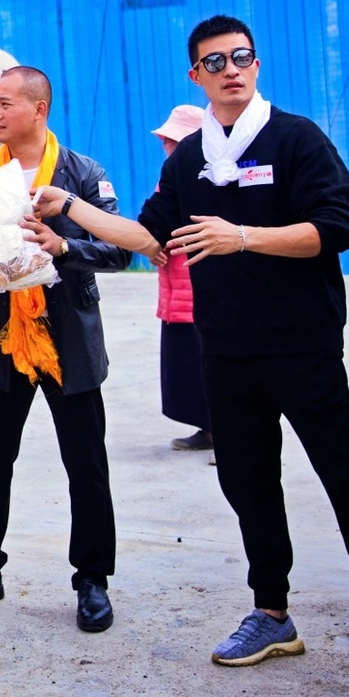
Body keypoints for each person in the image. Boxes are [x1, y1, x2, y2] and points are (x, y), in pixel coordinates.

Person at [35, 15, 349, 697]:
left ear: (256, 64)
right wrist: (70, 208)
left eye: (241, 57)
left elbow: (337, 228)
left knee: (347, 486)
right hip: (224, 350)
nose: (231, 69)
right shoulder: (190, 159)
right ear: (196, 75)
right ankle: (272, 614)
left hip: (302, 346)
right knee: (249, 485)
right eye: (215, 61)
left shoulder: (295, 139)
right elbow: (148, 236)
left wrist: (244, 237)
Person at [0, 67, 128, 635]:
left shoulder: (83, 174)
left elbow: (119, 250)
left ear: (39, 109)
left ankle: (92, 579)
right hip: (0, 338)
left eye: (6, 103)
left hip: (68, 339)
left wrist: (63, 246)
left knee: (86, 466)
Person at [151, 104, 213, 452]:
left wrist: (163, 242)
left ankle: (226, 436)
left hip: (198, 290)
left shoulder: (207, 176)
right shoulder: (171, 176)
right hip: (175, 290)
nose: (165, 145)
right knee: (186, 368)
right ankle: (209, 429)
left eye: (172, 139)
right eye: (165, 139)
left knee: (208, 367)